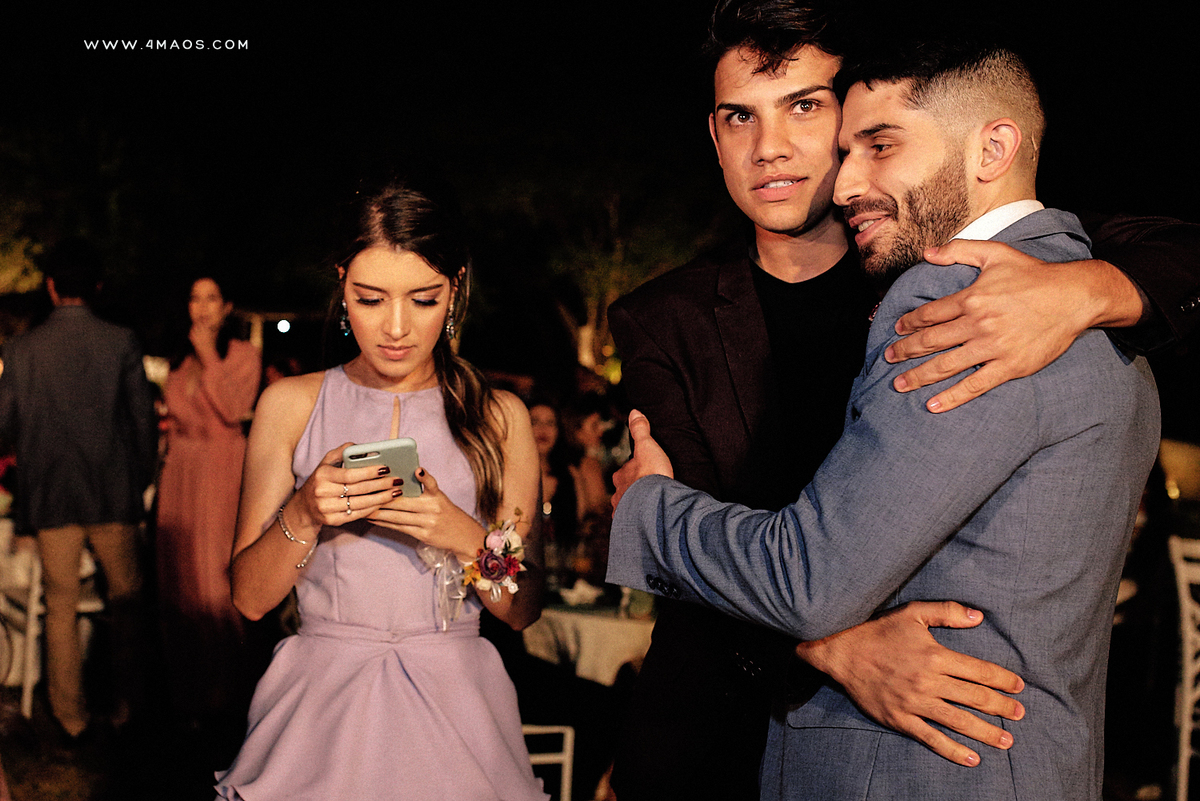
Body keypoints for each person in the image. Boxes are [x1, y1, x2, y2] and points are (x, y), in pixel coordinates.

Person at [605, 2, 1200, 798]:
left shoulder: (970, 280)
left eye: (806, 108)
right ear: (714, 137)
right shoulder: (661, 319)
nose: (770, 147)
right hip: (710, 740)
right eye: (739, 117)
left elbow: (1179, 250)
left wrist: (1093, 289)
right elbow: (707, 544)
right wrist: (833, 645)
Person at [215, 179, 547, 800]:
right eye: (370, 299)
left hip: (456, 701)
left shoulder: (500, 417)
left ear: (456, 290)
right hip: (319, 699)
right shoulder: (289, 405)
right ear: (342, 288)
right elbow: (250, 599)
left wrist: (464, 535)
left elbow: (523, 609)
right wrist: (306, 511)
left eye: (422, 299)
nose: (396, 327)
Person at [0, 238, 156, 746]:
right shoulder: (121, 342)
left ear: (50, 287)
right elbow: (141, 423)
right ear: (96, 287)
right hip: (112, 494)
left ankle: (70, 717)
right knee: (127, 602)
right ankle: (128, 706)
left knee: (61, 606)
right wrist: (141, 479)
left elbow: (4, 426)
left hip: (51, 496)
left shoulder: (22, 350)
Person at [155, 276, 261, 735]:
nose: (201, 307)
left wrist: (207, 353)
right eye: (194, 297)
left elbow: (232, 409)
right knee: (177, 580)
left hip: (221, 470)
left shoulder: (241, 356)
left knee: (214, 578)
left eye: (211, 298)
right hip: (181, 470)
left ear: (227, 306)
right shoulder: (179, 364)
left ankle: (226, 693)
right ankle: (186, 696)